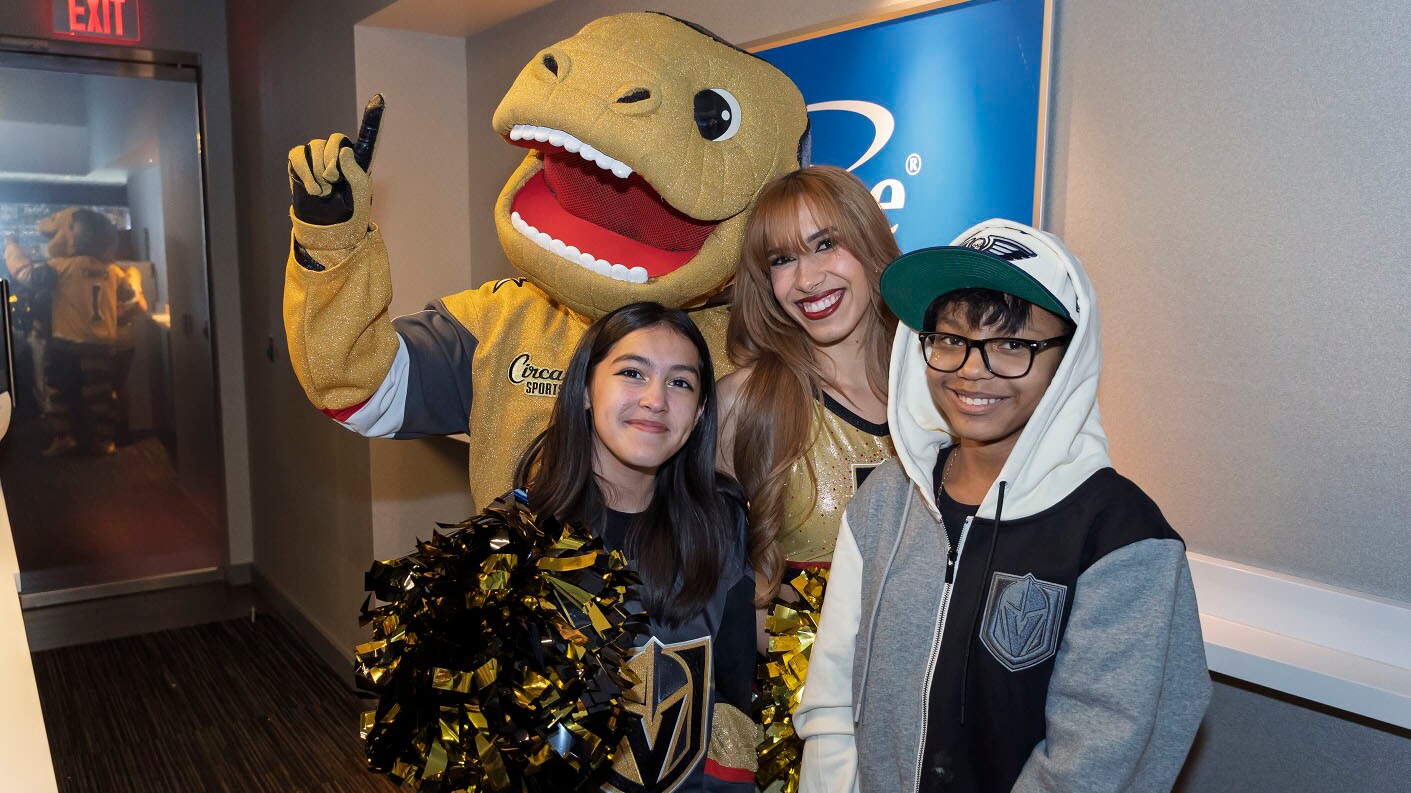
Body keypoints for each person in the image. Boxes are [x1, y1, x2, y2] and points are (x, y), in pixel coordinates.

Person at [795, 220, 1210, 793]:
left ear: (1068, 358)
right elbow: (833, 705)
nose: (972, 368)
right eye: (950, 339)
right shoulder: (887, 502)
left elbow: (1096, 760)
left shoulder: (1121, 537)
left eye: (1012, 344)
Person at [515, 301, 758, 791]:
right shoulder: (516, 538)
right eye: (632, 372)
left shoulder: (724, 521)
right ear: (585, 389)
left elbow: (734, 696)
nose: (655, 399)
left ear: (701, 410)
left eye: (681, 382)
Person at [715, 166, 899, 790]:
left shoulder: (942, 390)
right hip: (789, 741)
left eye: (826, 244)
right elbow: (686, 574)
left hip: (920, 728)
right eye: (782, 258)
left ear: (870, 243)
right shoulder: (745, 402)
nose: (808, 278)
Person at [5, 211, 131, 456]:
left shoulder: (60, 267)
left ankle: (64, 438)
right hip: (101, 345)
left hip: (66, 343)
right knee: (100, 396)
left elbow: (25, 274)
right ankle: (106, 441)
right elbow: (129, 296)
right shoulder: (112, 271)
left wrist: (11, 247)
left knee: (57, 393)